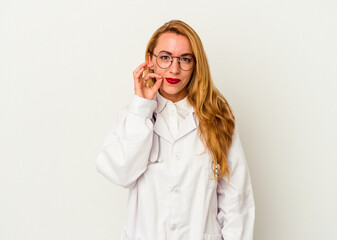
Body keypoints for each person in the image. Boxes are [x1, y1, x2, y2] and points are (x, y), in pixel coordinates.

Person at [95, 20, 255, 240]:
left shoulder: (218, 120)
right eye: (165, 57)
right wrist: (141, 107)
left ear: (196, 64)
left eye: (185, 59)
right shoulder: (132, 116)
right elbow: (121, 174)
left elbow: (237, 202)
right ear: (150, 60)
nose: (174, 68)